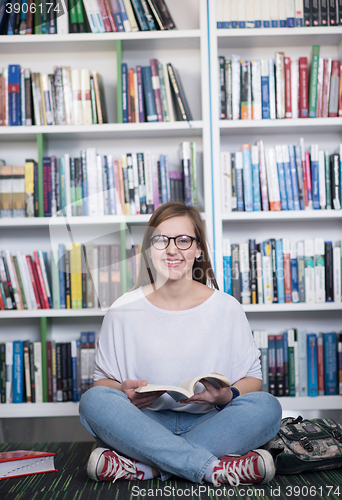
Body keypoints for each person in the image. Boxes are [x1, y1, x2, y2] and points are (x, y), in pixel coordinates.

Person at [79, 202, 282, 487]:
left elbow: (253, 380)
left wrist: (227, 396)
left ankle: (144, 467)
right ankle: (212, 467)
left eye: (183, 240)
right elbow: (103, 385)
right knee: (93, 402)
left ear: (198, 249)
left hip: (211, 423)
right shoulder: (123, 308)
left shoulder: (227, 307)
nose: (172, 249)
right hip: (143, 425)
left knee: (267, 407)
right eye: (161, 240)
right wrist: (126, 394)